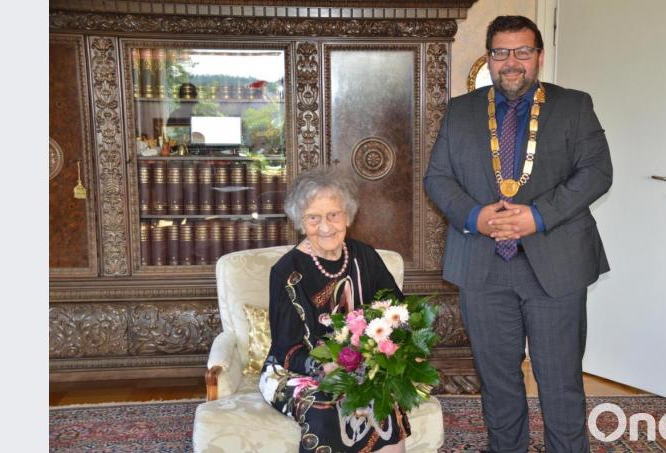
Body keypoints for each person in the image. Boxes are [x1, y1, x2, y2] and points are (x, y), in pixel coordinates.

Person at [424, 15, 612, 452]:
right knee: (497, 379)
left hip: (556, 265)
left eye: (522, 51)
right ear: (489, 58)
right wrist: (475, 215)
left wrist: (537, 217)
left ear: (539, 56)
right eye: (501, 52)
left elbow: (596, 172)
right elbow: (438, 178)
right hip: (482, 266)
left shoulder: (574, 105)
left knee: (560, 379)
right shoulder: (461, 110)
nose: (512, 62)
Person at [259, 167, 409, 453]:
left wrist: (377, 355)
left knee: (381, 398)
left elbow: (396, 311)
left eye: (333, 215)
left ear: (347, 216)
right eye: (313, 217)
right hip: (292, 371)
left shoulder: (365, 256)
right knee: (325, 405)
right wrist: (324, 367)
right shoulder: (286, 272)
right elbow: (285, 348)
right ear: (300, 222)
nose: (325, 226)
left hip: (360, 364)